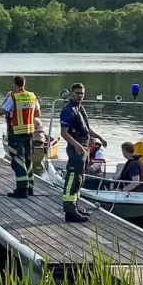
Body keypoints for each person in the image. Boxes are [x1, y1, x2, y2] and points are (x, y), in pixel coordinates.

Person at [58, 82, 103, 221]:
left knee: (80, 178)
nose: (80, 96)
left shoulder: (80, 108)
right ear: (72, 93)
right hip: (75, 148)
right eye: (77, 93)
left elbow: (86, 128)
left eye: (82, 93)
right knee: (73, 178)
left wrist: (98, 137)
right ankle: (70, 212)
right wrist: (77, 145)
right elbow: (64, 133)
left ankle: (75, 206)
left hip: (83, 147)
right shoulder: (68, 110)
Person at [0, 75, 39, 198]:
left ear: (14, 84)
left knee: (18, 160)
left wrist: (6, 103)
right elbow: (38, 113)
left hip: (16, 132)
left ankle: (22, 190)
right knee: (27, 159)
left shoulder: (13, 97)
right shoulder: (32, 96)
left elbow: (1, 112)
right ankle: (30, 188)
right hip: (30, 132)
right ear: (24, 83)